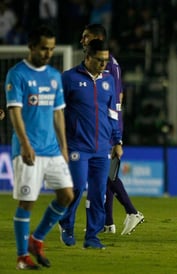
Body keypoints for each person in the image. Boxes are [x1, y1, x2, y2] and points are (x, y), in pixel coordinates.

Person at [5, 25, 74, 270]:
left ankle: (37, 239)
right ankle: (22, 256)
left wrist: (64, 148)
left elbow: (58, 114)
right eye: (44, 48)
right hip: (28, 150)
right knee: (27, 202)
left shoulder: (54, 76)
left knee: (67, 195)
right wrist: (24, 144)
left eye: (52, 49)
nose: (48, 53)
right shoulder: (17, 74)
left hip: (52, 150)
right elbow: (15, 111)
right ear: (31, 47)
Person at [80, 23, 144, 235]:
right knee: (103, 175)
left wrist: (114, 133)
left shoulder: (107, 65)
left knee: (105, 174)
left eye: (86, 37)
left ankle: (132, 212)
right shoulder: (107, 64)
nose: (82, 41)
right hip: (104, 123)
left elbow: (114, 101)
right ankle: (108, 223)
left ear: (97, 38)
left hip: (107, 124)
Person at [58, 39, 122, 249]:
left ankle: (92, 237)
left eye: (106, 60)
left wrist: (117, 140)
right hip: (77, 145)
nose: (104, 64)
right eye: (99, 60)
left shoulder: (109, 80)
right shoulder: (69, 78)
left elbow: (113, 113)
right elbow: (57, 111)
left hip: (102, 147)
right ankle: (66, 225)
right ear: (87, 57)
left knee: (98, 194)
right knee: (75, 188)